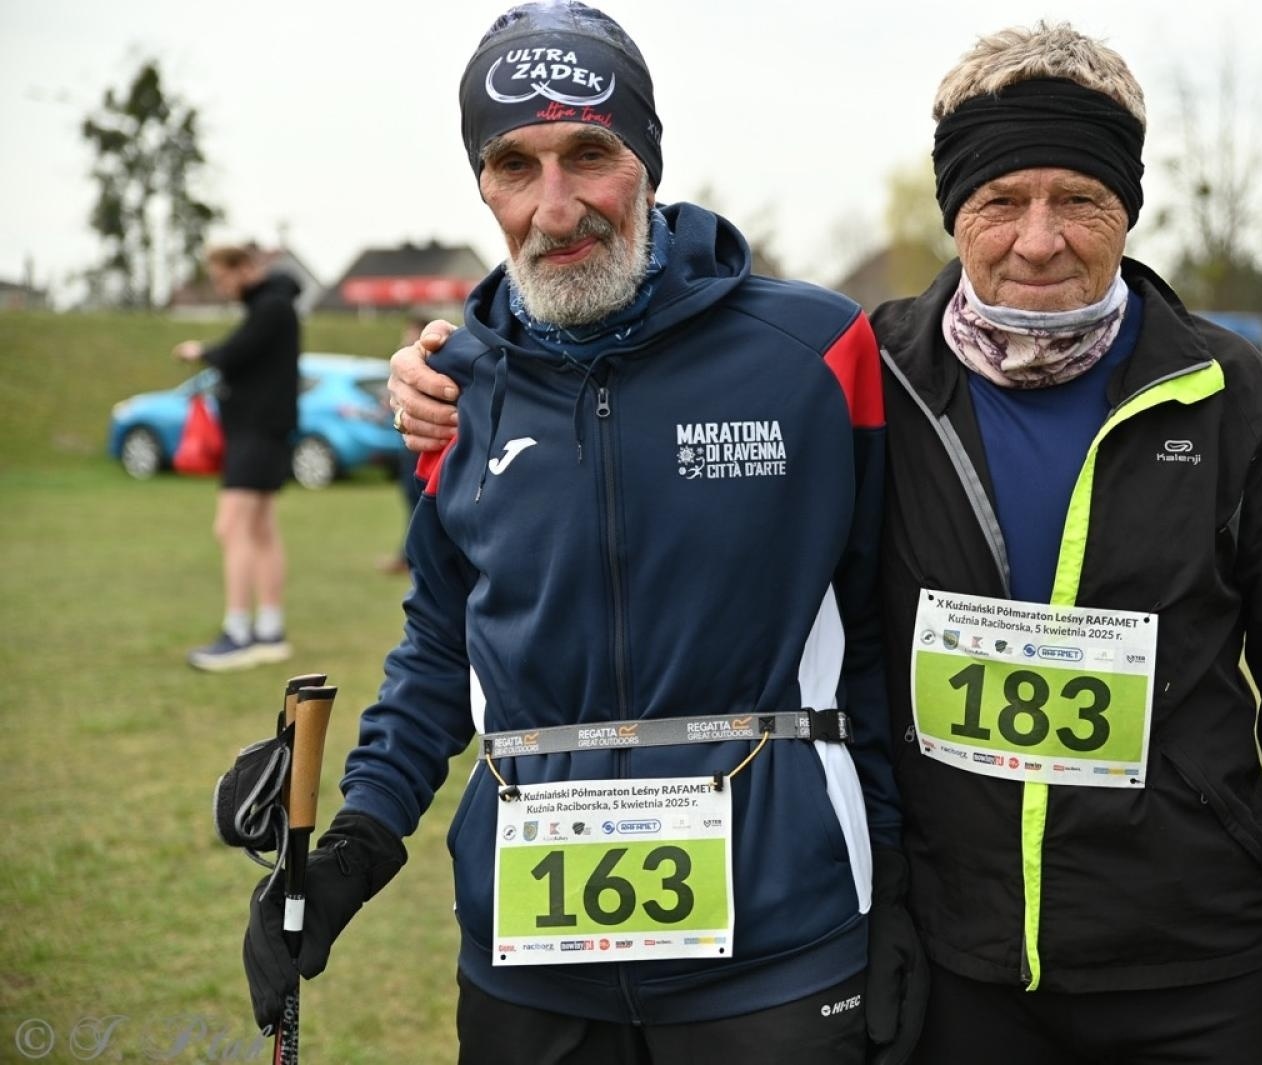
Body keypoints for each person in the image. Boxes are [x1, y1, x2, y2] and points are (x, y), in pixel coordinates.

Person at [389, 20, 1262, 1065]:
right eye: (1001, 202)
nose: (1039, 239)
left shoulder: (1231, 398)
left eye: (1080, 201)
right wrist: (453, 363)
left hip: (1188, 953)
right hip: (955, 951)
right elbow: (644, 384)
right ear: (955, 212)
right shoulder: (869, 373)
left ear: (1129, 210)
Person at [243, 5, 922, 1064]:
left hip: (780, 954)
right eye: (514, 165)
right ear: (481, 183)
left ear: (646, 160)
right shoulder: (457, 384)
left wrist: (900, 890)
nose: (555, 209)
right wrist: (354, 850)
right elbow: (440, 644)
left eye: (589, 156)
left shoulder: (813, 349)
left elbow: (880, 634)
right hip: (528, 962)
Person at [174, 244, 300, 671]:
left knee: (231, 528)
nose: (222, 286)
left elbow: (234, 353)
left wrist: (199, 352)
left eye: (223, 277)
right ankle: (269, 631)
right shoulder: (272, 305)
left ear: (245, 268)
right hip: (262, 434)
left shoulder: (272, 307)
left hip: (256, 435)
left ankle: (239, 632)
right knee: (261, 530)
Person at [376, 315, 433, 575]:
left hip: (423, 447)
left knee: (419, 501)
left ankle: (411, 557)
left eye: (411, 331)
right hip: (407, 443)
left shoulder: (432, 363)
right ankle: (409, 555)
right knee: (411, 500)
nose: (406, 336)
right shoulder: (407, 365)